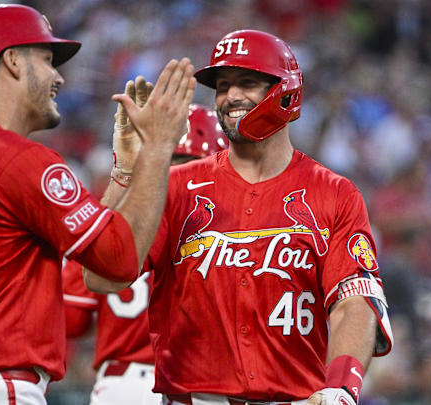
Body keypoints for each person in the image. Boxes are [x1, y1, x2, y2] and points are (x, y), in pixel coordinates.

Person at [0, 4, 195, 405]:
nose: (58, 76)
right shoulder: (20, 159)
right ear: (12, 61)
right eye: (48, 60)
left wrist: (125, 171)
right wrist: (158, 147)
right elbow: (118, 263)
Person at [84, 30, 393, 405]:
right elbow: (101, 275)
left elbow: (353, 301)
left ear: (286, 90)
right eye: (222, 85)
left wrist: (342, 386)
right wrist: (127, 173)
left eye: (247, 82)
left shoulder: (334, 193)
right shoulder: (175, 187)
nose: (231, 96)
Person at [62, 103, 228, 405]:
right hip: (194, 383)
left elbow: (72, 319)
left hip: (120, 385)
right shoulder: (225, 229)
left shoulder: (114, 220)